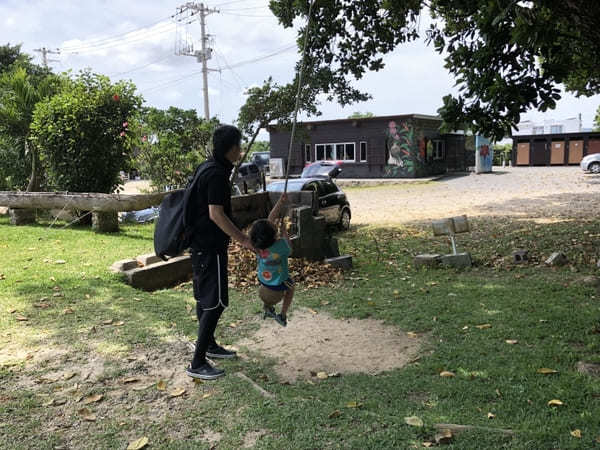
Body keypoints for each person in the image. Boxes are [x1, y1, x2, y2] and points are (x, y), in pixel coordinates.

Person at [186, 125, 254, 381]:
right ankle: (198, 361)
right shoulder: (216, 174)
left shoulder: (208, 166)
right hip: (209, 246)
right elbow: (216, 213)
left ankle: (210, 346)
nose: (241, 150)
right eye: (239, 145)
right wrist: (243, 239)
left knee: (205, 299)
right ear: (232, 149)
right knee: (215, 302)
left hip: (201, 245)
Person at [249, 193, 295, 327]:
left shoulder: (256, 246)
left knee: (268, 276)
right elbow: (290, 250)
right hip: (278, 282)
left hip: (263, 280)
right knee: (291, 288)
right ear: (273, 234)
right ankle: (283, 314)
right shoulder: (280, 246)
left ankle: (267, 307)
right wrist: (285, 233)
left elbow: (270, 219)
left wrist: (280, 202)